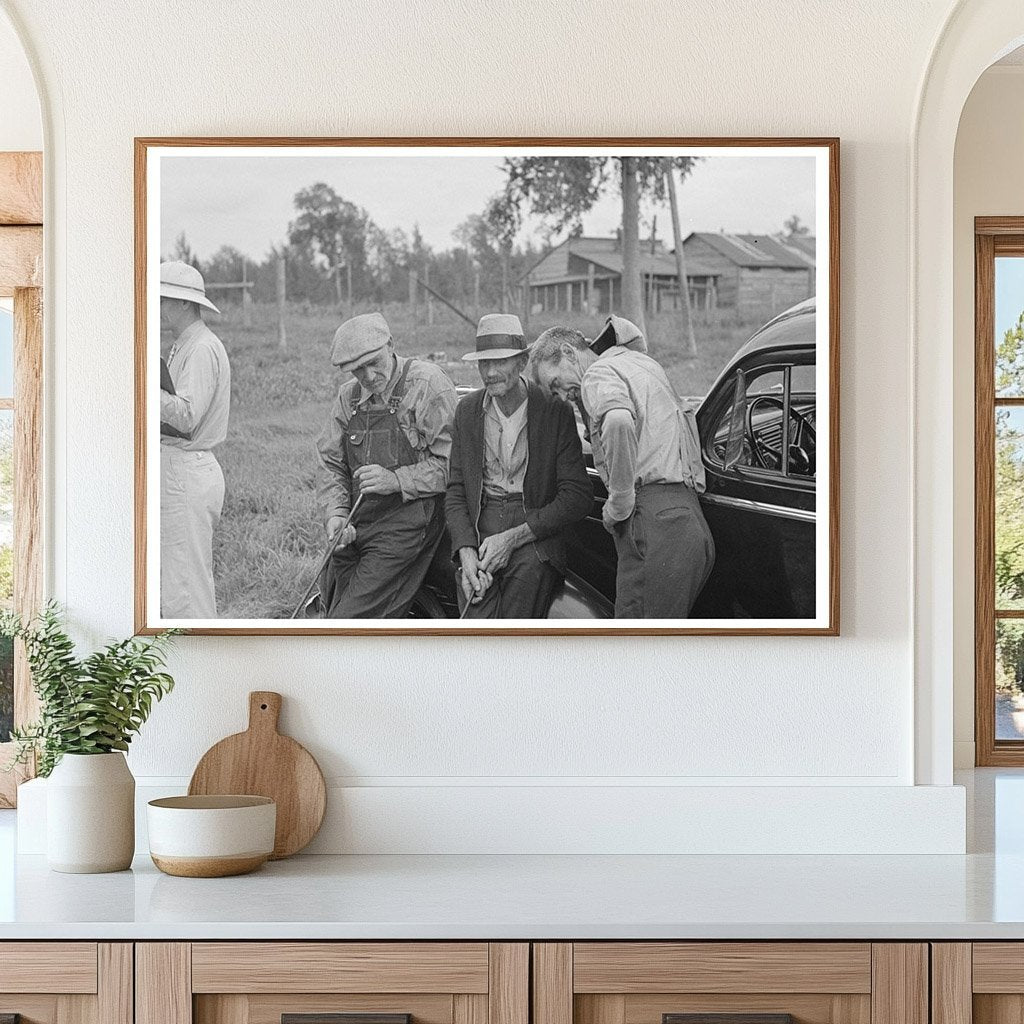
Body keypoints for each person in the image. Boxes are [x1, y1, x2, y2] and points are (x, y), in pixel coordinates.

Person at [529, 316, 715, 618]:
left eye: (556, 384)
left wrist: (619, 502)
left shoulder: (596, 375)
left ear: (568, 353)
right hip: (687, 522)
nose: (562, 396)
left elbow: (618, 421)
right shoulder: (638, 364)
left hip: (653, 525)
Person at [446, 314, 592, 618]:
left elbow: (577, 495)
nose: (490, 372)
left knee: (520, 606)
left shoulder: (554, 408)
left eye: (501, 361)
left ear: (523, 362)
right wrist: (466, 551)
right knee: (475, 611)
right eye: (484, 363)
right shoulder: (468, 411)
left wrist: (512, 539)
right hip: (482, 525)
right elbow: (456, 489)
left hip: (534, 529)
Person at [316, 312, 458, 618]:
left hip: (407, 525)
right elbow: (330, 462)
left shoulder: (427, 385)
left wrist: (395, 480)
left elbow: (453, 466)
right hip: (357, 524)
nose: (368, 376)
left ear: (391, 345)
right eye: (357, 370)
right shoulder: (348, 397)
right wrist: (337, 515)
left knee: (348, 622)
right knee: (330, 607)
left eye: (373, 363)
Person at [158, 260, 232, 619]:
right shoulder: (184, 345)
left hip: (188, 467)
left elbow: (188, 415)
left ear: (185, 303)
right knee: (176, 577)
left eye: (163, 300)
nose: (158, 308)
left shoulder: (201, 347)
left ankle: (197, 647)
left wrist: (146, 386)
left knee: (186, 584)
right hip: (179, 466)